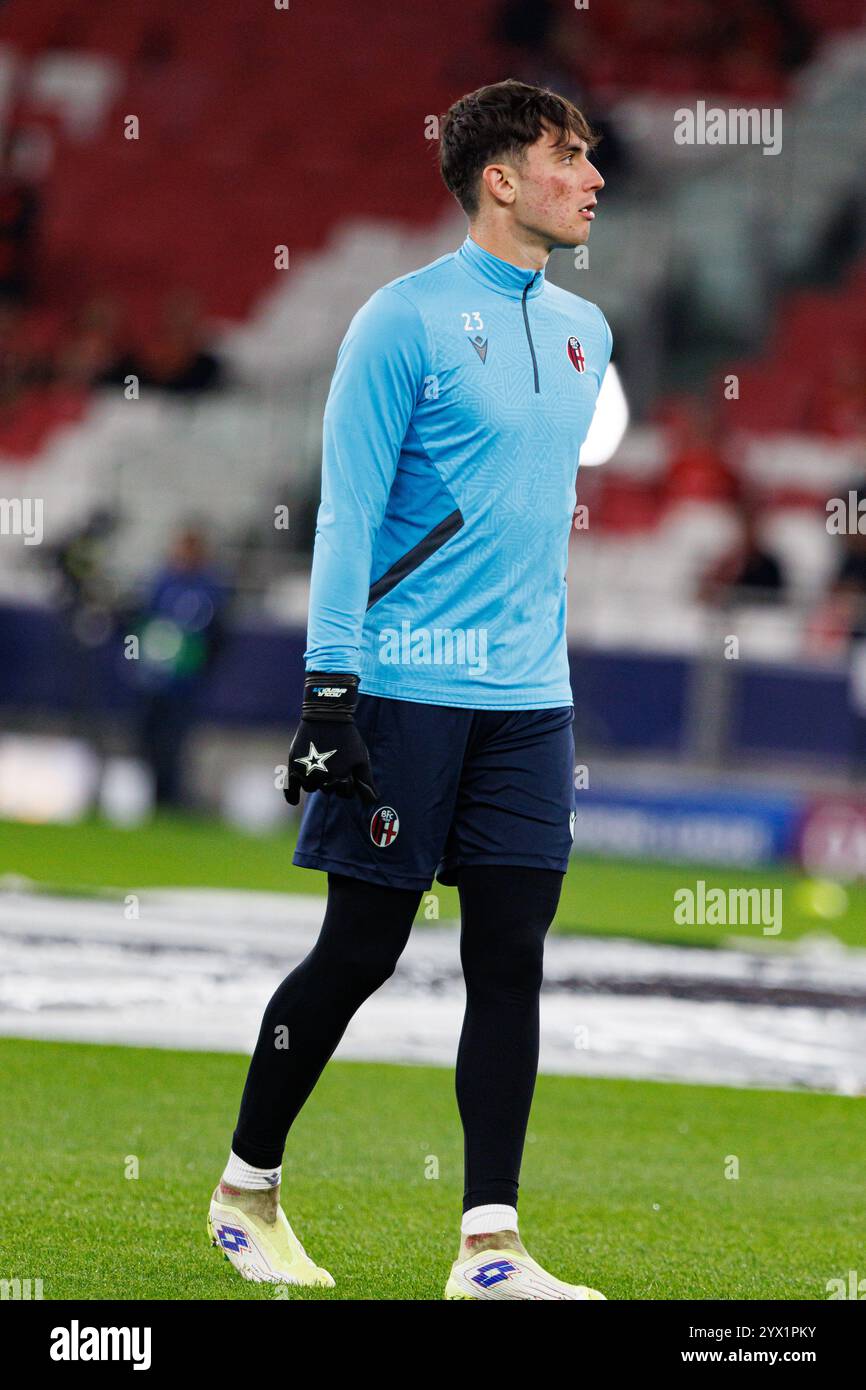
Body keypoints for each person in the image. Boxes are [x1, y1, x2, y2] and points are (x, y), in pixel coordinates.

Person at [209, 79, 611, 1300]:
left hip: (528, 700)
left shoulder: (590, 335)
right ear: (500, 177)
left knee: (509, 954)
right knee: (359, 949)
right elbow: (348, 517)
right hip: (401, 689)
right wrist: (328, 690)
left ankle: (488, 1251)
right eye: (569, 155)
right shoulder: (400, 321)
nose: (592, 177)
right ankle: (245, 1188)